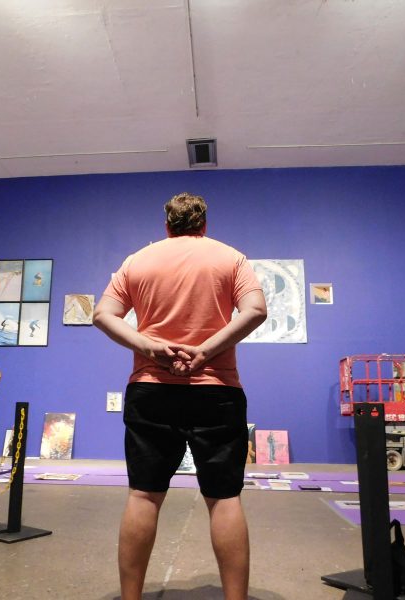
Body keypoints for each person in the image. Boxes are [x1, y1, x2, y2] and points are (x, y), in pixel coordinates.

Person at [94, 192, 267, 600]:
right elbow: (256, 310)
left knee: (143, 495)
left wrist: (149, 346)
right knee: (224, 499)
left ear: (167, 225)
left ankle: (131, 597)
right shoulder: (231, 258)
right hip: (217, 391)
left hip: (151, 389)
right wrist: (206, 351)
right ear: (204, 224)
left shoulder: (138, 260)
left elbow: (102, 315)